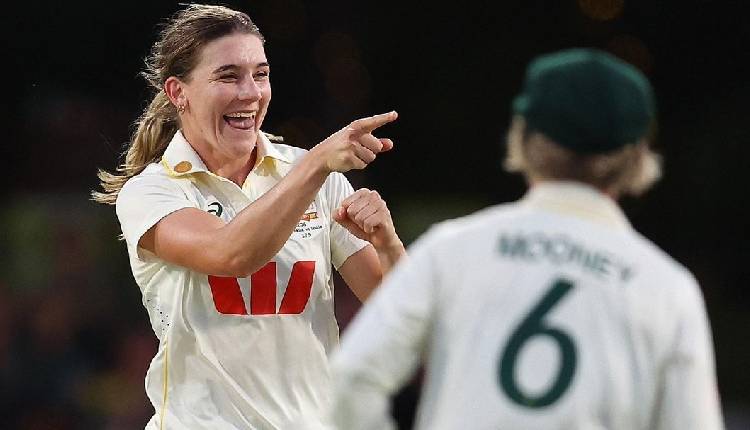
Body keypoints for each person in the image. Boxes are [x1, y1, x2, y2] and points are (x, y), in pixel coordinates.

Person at [328, 48, 724, 430]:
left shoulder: (452, 249)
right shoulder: (665, 288)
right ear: (638, 155)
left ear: (523, 138)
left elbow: (353, 379)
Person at [92, 4, 405, 429]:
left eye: (260, 74)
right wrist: (315, 166)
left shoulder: (315, 177)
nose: (251, 93)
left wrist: (387, 243)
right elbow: (231, 254)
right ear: (178, 92)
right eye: (228, 76)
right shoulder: (152, 192)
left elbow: (399, 312)